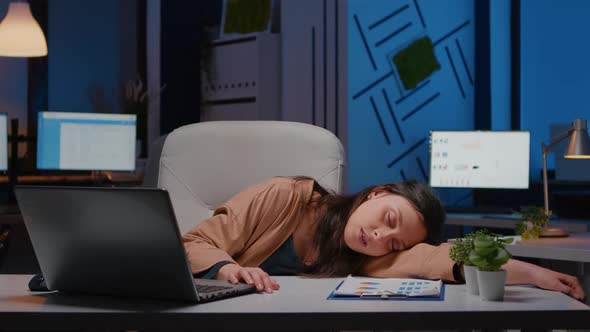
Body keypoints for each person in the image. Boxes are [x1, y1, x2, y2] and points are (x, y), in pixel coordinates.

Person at [183, 176, 585, 301]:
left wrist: (532, 272)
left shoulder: (365, 255)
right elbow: (192, 243)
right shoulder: (285, 196)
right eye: (389, 217)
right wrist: (228, 268)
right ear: (376, 193)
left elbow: (438, 258)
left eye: (394, 243)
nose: (380, 236)